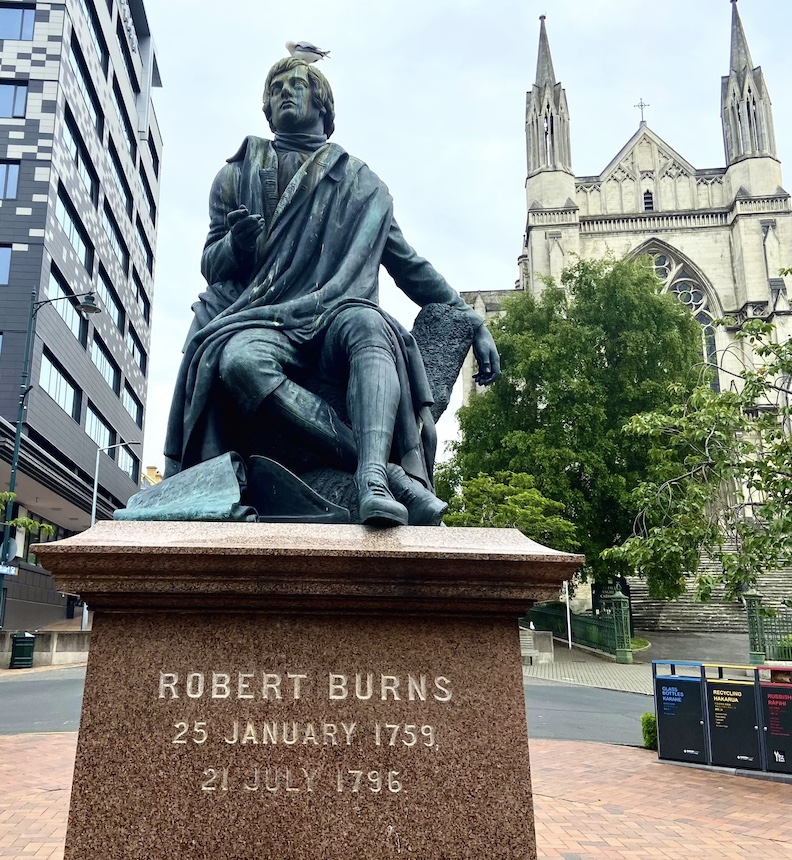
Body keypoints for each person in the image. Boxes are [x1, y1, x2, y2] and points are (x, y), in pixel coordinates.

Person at [164, 57, 500, 526]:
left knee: (369, 323)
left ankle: (372, 483)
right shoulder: (236, 175)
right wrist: (237, 248)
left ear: (322, 104)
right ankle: (381, 467)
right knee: (239, 361)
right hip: (264, 319)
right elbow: (210, 265)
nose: (284, 91)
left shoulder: (361, 184)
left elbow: (407, 264)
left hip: (336, 316)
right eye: (275, 86)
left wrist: (470, 318)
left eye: (296, 84)